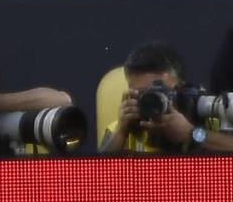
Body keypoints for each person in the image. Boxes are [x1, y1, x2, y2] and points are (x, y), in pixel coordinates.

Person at [99, 42, 233, 154]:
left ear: (183, 89)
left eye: (163, 91)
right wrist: (121, 132)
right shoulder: (123, 126)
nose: (155, 100)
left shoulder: (209, 121)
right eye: (144, 94)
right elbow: (97, 176)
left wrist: (191, 133)